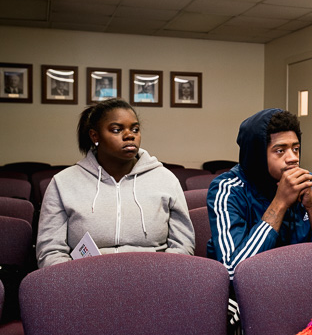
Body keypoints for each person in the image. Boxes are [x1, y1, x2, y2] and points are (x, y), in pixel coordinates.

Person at [207, 108, 312, 335]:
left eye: (296, 148)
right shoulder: (228, 189)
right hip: (252, 296)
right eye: (280, 150)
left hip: (306, 288)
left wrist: (311, 206)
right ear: (258, 154)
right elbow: (232, 271)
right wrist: (280, 203)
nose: (292, 158)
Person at [36, 98, 195, 268]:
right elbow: (50, 251)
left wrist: (161, 275)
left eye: (135, 129)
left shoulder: (166, 179)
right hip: (84, 281)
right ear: (95, 136)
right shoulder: (63, 183)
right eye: (117, 130)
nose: (129, 135)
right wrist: (75, 282)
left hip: (154, 278)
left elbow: (183, 245)